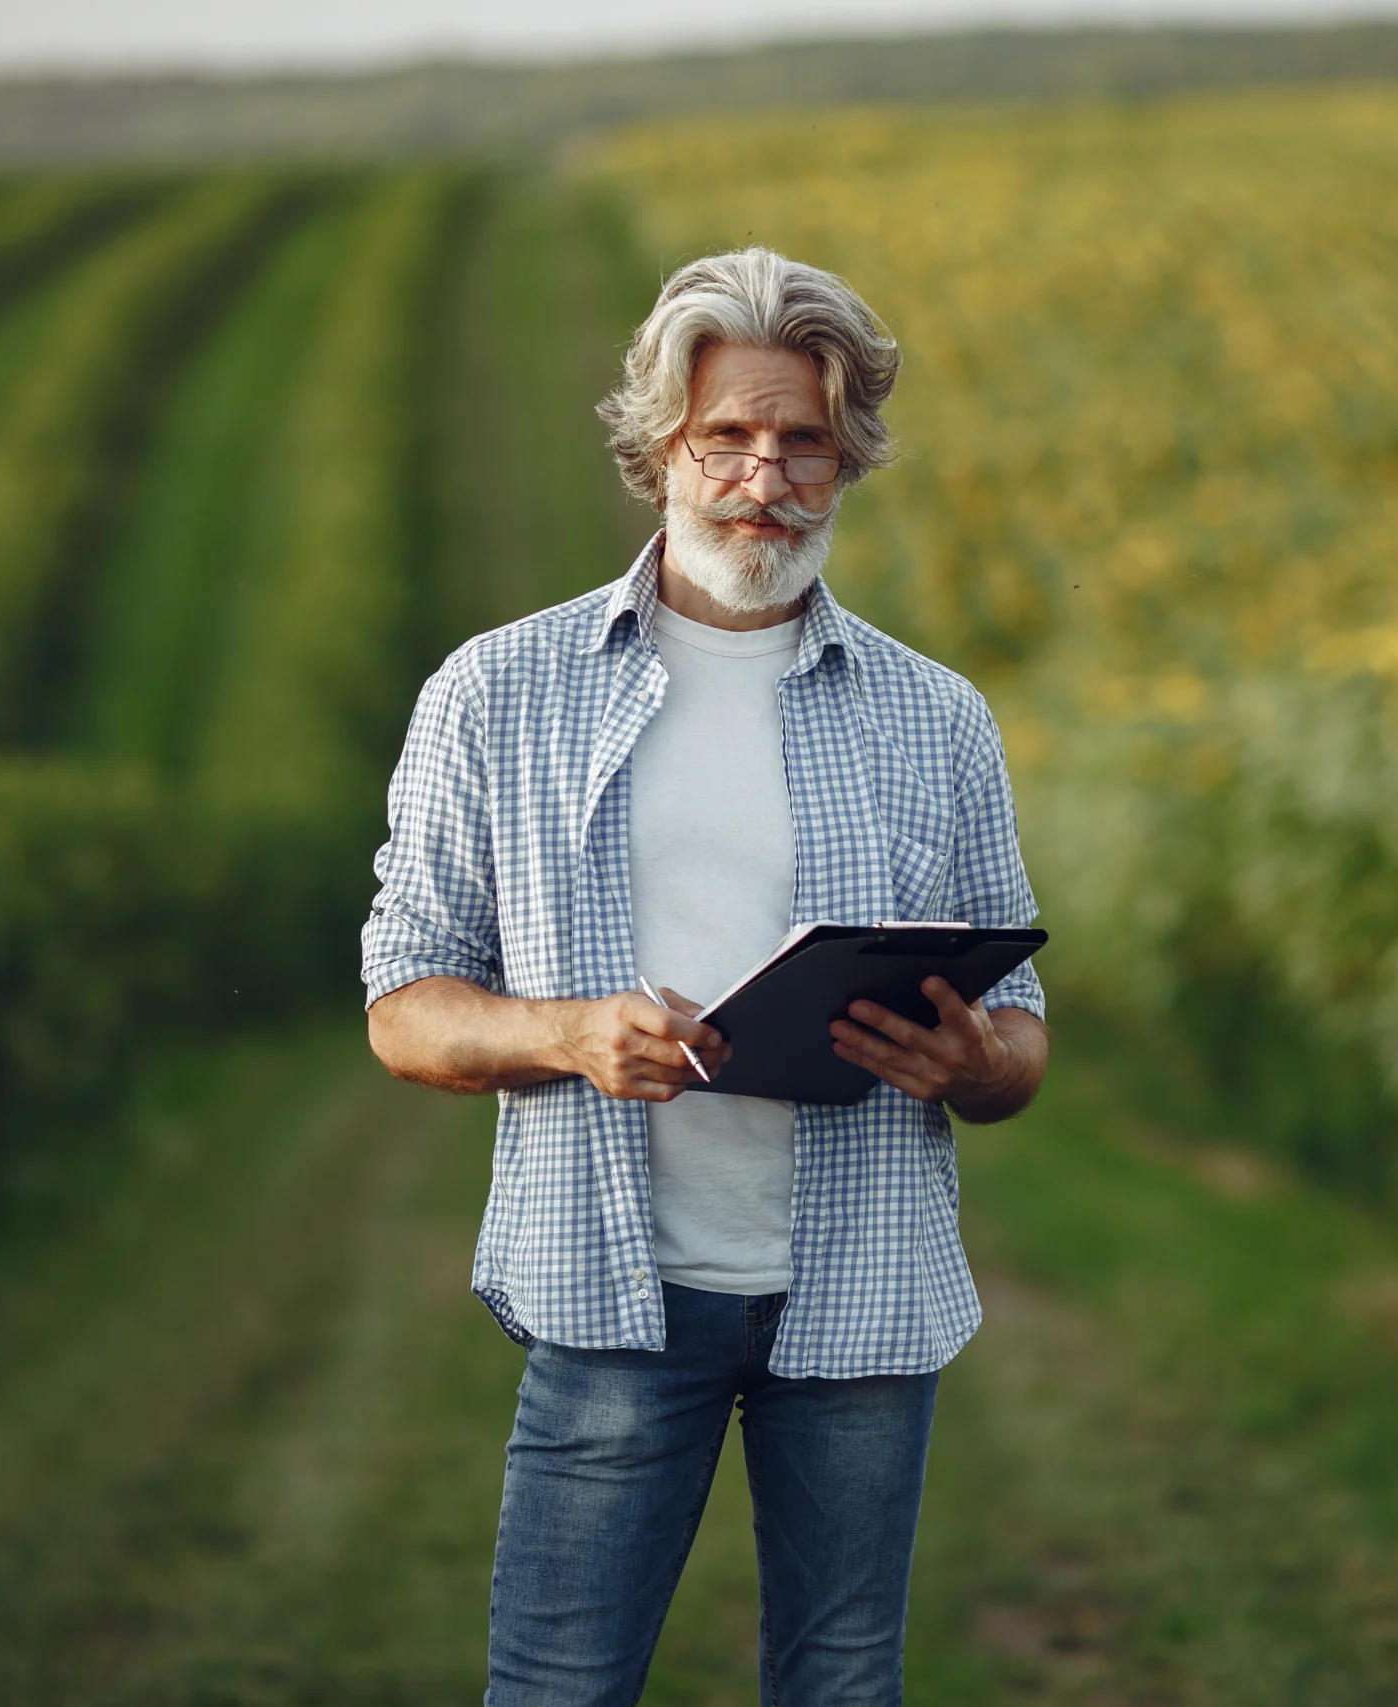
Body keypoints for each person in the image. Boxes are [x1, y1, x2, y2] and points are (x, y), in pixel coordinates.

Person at [361, 246, 1049, 1705]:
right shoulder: (498, 691)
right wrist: (568, 1032)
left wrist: (972, 1062)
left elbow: (1025, 1034)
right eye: (725, 433)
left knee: (842, 1687)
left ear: (849, 459)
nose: (764, 473)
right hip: (613, 1295)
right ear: (657, 448)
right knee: (557, 1686)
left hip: (862, 1297)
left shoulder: (940, 717)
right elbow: (405, 1003)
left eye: (804, 439)